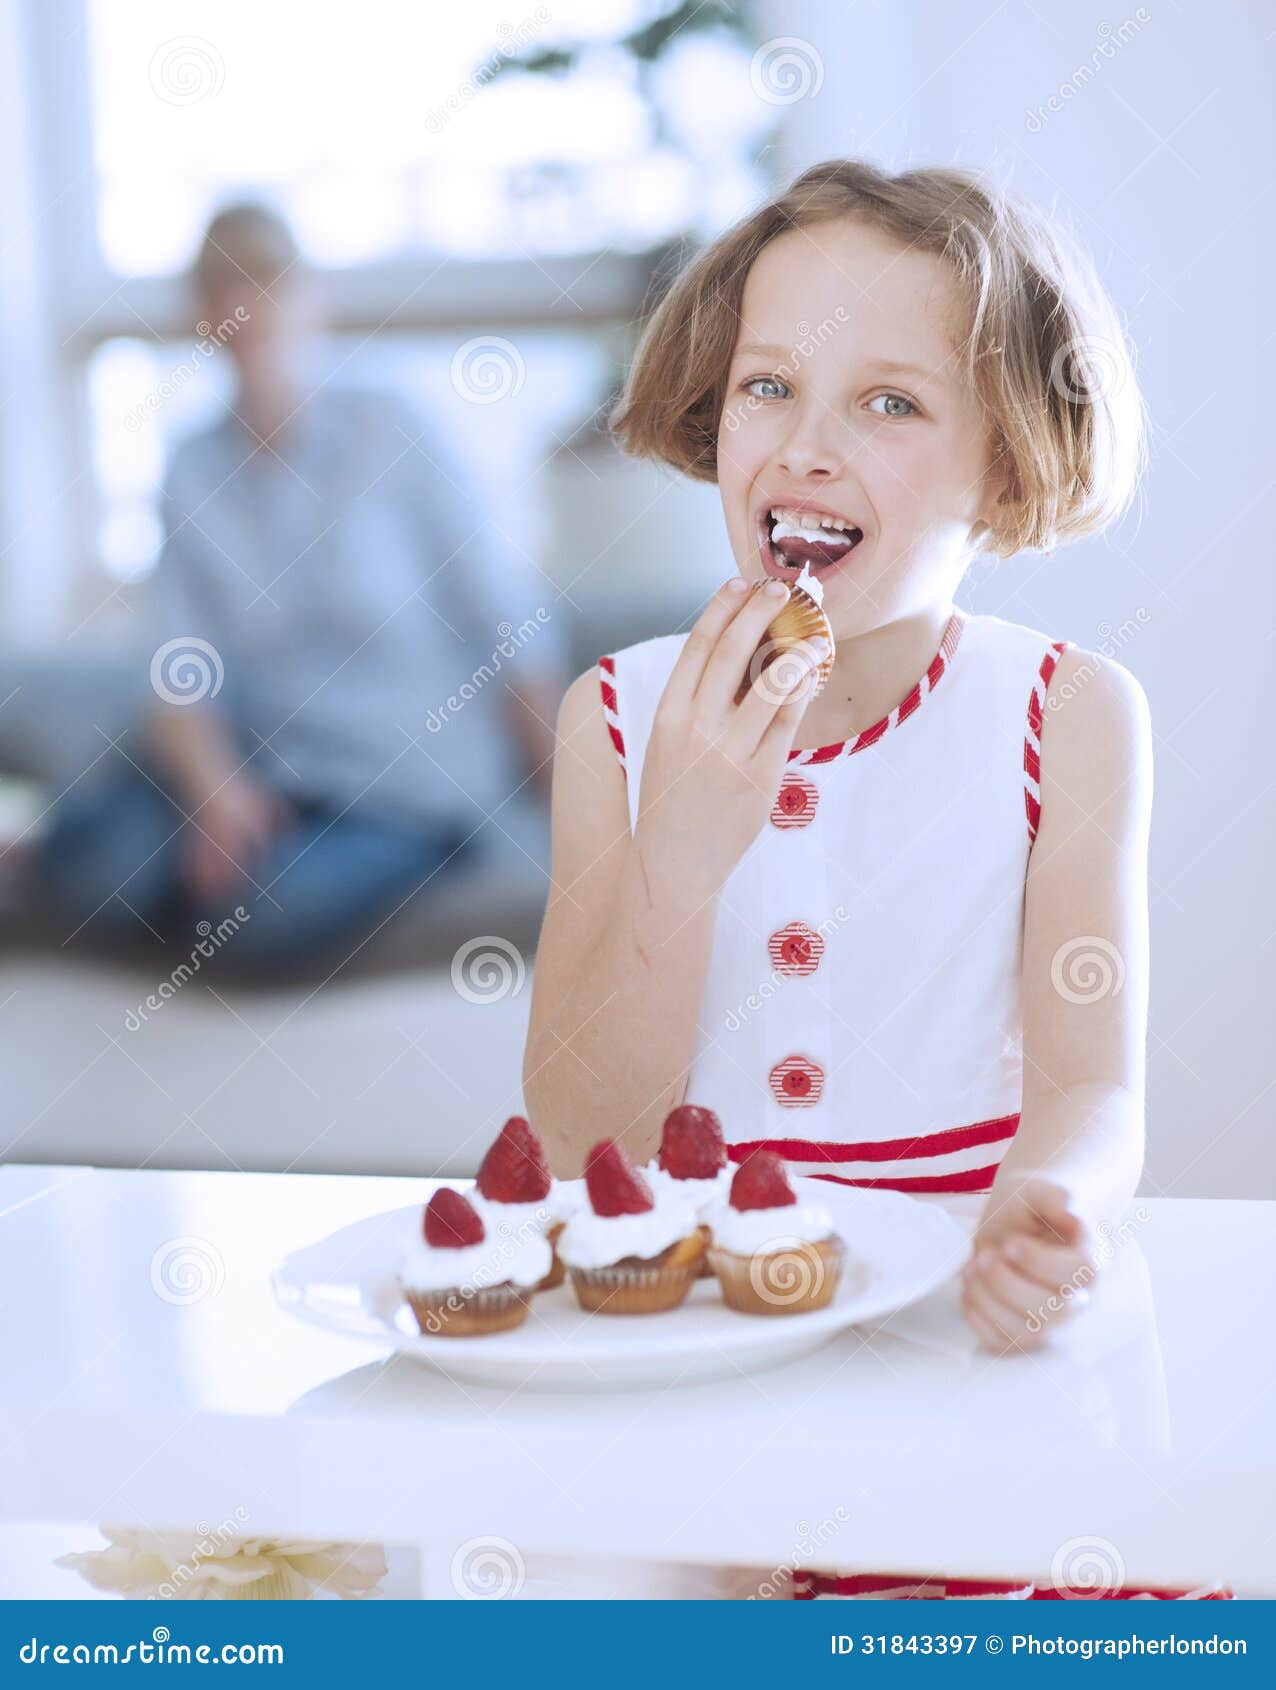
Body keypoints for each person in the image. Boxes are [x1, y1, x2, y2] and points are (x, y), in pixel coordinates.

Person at [523, 159, 1227, 1600]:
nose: (807, 448)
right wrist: (688, 844)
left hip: (963, 1335)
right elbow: (582, 1124)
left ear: (1013, 463)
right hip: (696, 1348)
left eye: (891, 402)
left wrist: (1053, 1204)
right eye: (770, 385)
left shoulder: (1070, 711)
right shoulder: (613, 718)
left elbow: (1093, 1088)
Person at [40, 203, 563, 967]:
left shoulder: (392, 429)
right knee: (93, 871)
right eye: (223, 291)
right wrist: (217, 795)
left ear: (310, 300)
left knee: (260, 919)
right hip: (272, 767)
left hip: (401, 787)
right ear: (200, 318)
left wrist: (580, 817)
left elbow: (510, 621)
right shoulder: (191, 466)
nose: (246, 311)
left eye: (267, 286)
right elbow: (175, 663)